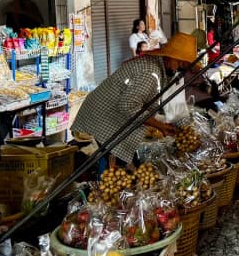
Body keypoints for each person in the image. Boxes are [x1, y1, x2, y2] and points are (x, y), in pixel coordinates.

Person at [72, 33, 199, 165]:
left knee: (120, 160)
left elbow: (170, 102)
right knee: (116, 161)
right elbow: (128, 106)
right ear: (169, 57)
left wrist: (185, 127)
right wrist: (160, 126)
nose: (181, 68)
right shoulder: (151, 72)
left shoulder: (163, 70)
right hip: (103, 116)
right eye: (180, 63)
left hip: (112, 113)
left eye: (184, 65)